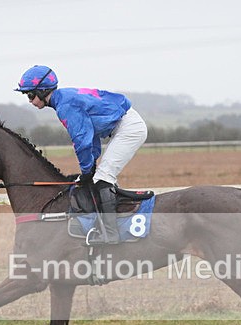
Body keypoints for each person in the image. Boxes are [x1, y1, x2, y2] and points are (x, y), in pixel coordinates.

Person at [15, 65, 148, 244]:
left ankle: (111, 235)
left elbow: (82, 139)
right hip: (122, 125)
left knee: (102, 178)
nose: (29, 100)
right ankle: (115, 220)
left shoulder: (65, 105)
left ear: (43, 90)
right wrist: (90, 166)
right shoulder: (63, 100)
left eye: (30, 95)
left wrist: (87, 170)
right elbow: (90, 136)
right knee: (98, 177)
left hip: (129, 128)